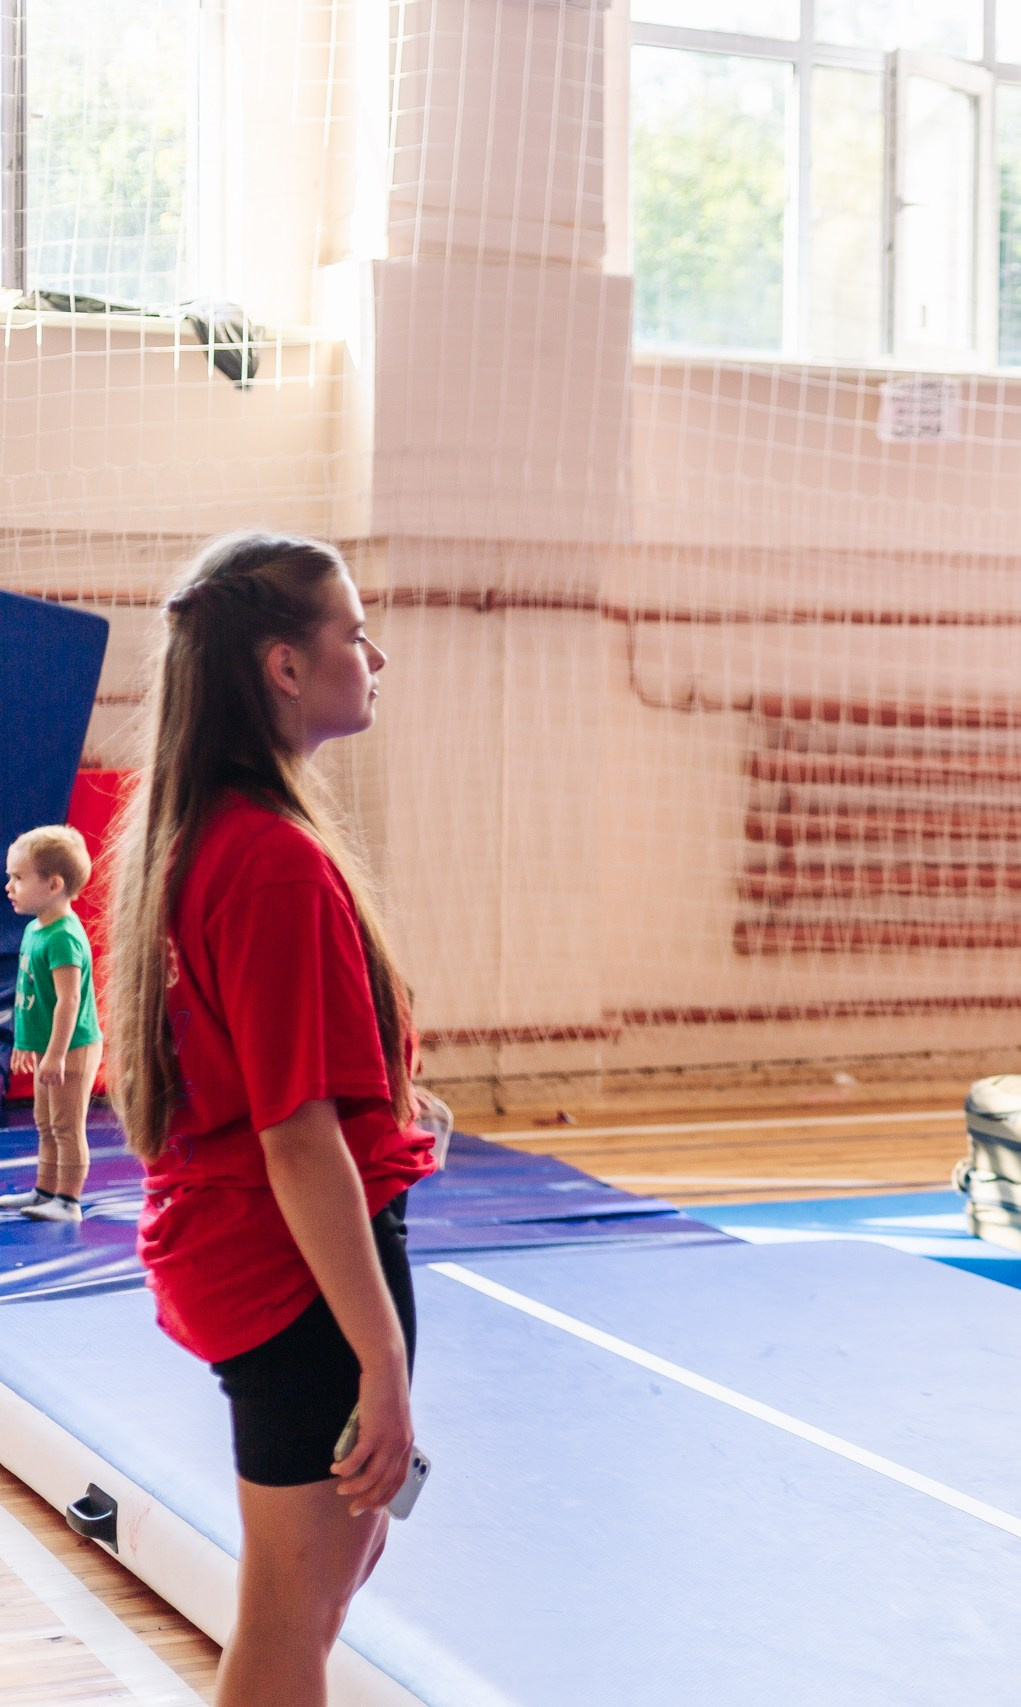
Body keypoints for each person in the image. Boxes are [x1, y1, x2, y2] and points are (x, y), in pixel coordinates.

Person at [105, 533, 434, 1707]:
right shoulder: (272, 859)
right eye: (353, 632)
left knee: (334, 1571)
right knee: (291, 1621)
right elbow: (294, 1139)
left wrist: (394, 1105)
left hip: (253, 1258)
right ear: (286, 667)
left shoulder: (202, 837)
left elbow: (258, 1076)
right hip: (296, 1279)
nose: (375, 653)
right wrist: (381, 1359)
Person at [5, 826, 102, 1221]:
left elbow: (69, 1001)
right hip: (49, 1046)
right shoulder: (34, 929)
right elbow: (32, 997)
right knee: (45, 1122)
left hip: (72, 1047)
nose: (9, 886)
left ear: (54, 884)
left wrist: (57, 1055)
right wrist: (25, 1043)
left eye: (19, 877)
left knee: (65, 1125)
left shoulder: (63, 938)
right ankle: (45, 1191)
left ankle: (69, 1201)